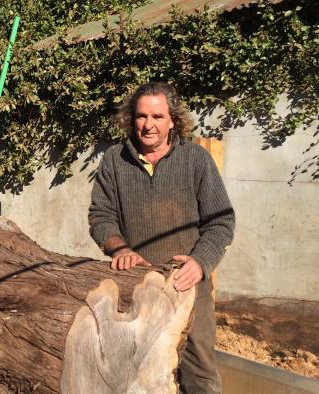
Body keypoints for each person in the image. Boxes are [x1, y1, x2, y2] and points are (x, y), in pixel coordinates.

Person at [88, 82, 235, 394]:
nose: (148, 125)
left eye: (157, 116)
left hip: (189, 290)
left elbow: (221, 221)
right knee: (139, 375)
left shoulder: (196, 160)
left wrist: (201, 261)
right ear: (132, 119)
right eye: (141, 116)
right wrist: (120, 247)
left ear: (173, 120)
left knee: (200, 376)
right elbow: (100, 216)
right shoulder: (115, 160)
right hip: (136, 290)